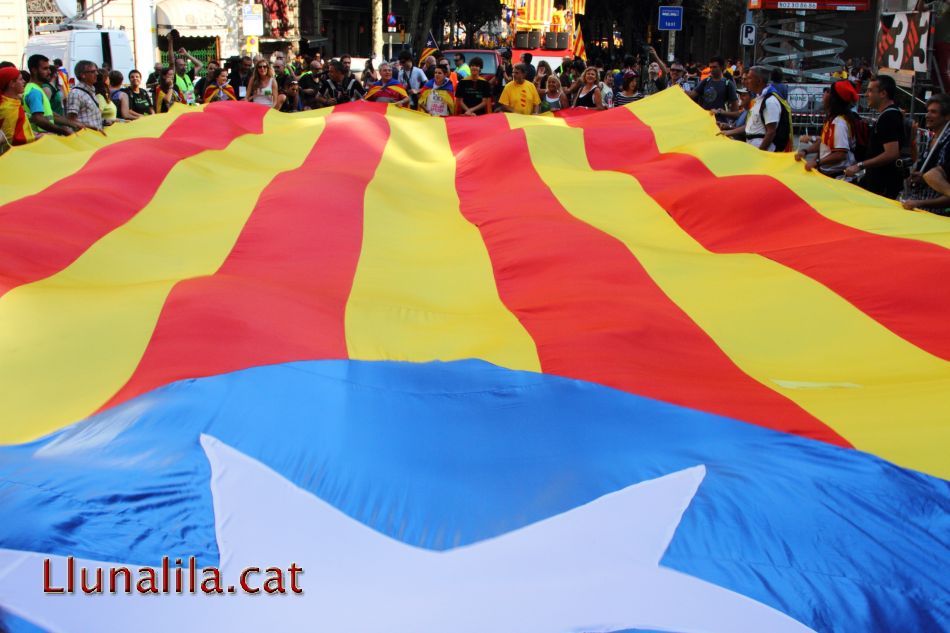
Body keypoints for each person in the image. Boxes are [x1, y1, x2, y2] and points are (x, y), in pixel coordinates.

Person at [844, 75, 905, 198]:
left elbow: (891, 153)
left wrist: (860, 165)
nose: (866, 94)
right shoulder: (888, 115)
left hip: (882, 186)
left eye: (870, 90)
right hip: (877, 181)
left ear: (883, 94)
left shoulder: (889, 117)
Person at [795, 80, 859, 177]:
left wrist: (817, 162)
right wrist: (806, 151)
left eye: (828, 92)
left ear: (834, 99)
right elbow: (825, 144)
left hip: (837, 178)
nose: (824, 95)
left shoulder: (839, 122)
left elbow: (840, 154)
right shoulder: (833, 119)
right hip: (830, 175)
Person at [899, 94, 950, 213]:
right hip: (919, 206)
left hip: (934, 215)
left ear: (947, 116)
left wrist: (920, 203)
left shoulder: (947, 142)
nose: (927, 115)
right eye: (927, 111)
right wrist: (913, 143)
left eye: (933, 112)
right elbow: (922, 169)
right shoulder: (933, 139)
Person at [724, 66, 780, 151]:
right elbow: (751, 125)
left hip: (761, 151)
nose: (746, 82)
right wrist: (728, 131)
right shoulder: (758, 100)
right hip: (752, 148)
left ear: (759, 81)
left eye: (749, 78)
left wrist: (760, 152)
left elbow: (771, 132)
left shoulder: (769, 101)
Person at [24, 54, 79, 136]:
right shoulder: (34, 91)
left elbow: (50, 114)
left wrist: (72, 124)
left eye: (49, 68)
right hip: (42, 140)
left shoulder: (35, 88)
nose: (49, 72)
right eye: (45, 69)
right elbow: (38, 118)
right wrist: (62, 131)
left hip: (44, 139)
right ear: (34, 70)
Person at [0, 64, 36, 149]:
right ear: (12, 84)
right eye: (20, 79)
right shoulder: (8, 108)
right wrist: (38, 138)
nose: (24, 81)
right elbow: (11, 139)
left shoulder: (12, 103)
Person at [65, 60, 105, 131]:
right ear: (82, 75)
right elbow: (71, 121)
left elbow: (91, 117)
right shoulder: (76, 93)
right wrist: (92, 127)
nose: (97, 74)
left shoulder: (91, 91)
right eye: (92, 72)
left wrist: (106, 121)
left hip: (95, 137)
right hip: (85, 138)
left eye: (96, 71)